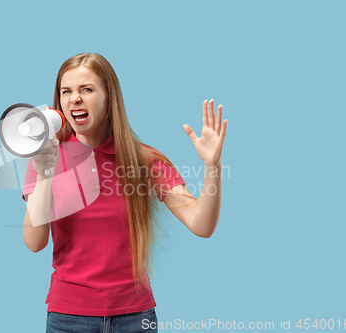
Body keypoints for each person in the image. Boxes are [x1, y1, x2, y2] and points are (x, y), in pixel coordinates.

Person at [21, 53, 227, 333]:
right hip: (68, 318)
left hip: (135, 317)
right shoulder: (46, 158)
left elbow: (201, 224)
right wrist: (45, 171)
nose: (74, 99)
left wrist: (212, 165)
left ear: (110, 98)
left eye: (87, 89)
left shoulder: (144, 160)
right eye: (66, 91)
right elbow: (34, 242)